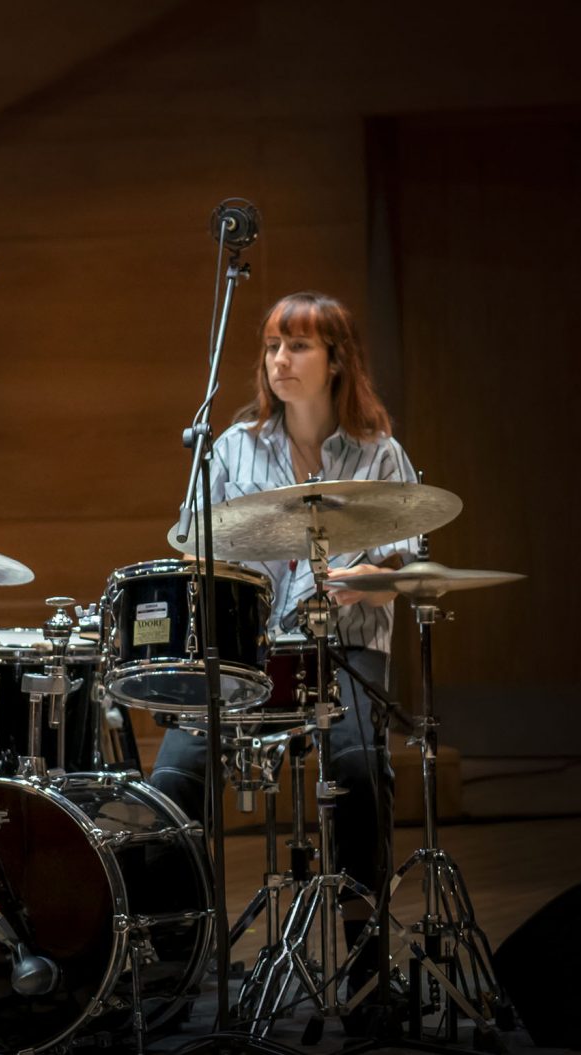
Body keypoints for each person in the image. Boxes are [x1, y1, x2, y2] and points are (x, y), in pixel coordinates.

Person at [151, 290, 415, 1004]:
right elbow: (193, 546)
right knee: (172, 780)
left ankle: (366, 965)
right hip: (253, 651)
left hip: (350, 647)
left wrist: (368, 578)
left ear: (337, 360)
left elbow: (407, 567)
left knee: (360, 767)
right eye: (271, 345)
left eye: (296, 345)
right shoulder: (233, 447)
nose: (279, 360)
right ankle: (174, 959)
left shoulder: (378, 452)